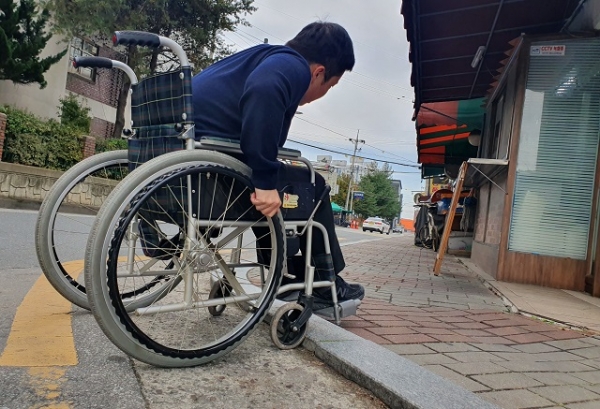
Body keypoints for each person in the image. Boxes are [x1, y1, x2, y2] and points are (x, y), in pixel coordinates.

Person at [192, 21, 364, 307]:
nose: (326, 92)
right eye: (330, 86)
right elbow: (264, 90)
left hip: (192, 163)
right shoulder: (292, 67)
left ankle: (279, 275)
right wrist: (263, 179)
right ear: (319, 72)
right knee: (314, 184)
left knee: (274, 187)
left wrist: (266, 176)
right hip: (214, 170)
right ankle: (325, 282)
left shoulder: (262, 56)